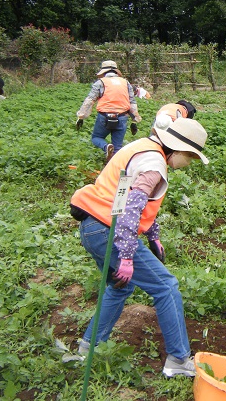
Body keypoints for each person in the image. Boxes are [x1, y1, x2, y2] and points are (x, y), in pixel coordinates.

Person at [69, 117, 209, 378]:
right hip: (107, 231)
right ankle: (178, 360)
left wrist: (153, 235)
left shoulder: (141, 147)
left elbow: (124, 192)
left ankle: (89, 347)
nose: (188, 164)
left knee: (120, 286)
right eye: (189, 158)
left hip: (92, 227)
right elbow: (132, 205)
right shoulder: (155, 165)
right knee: (166, 287)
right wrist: (126, 253)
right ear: (177, 150)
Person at [76, 60, 142, 163]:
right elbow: (132, 102)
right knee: (117, 148)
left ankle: (106, 146)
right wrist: (135, 120)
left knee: (96, 137)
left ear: (103, 72)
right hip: (122, 117)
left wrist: (81, 117)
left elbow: (90, 100)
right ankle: (114, 171)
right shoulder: (126, 83)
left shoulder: (101, 82)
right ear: (116, 71)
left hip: (105, 116)